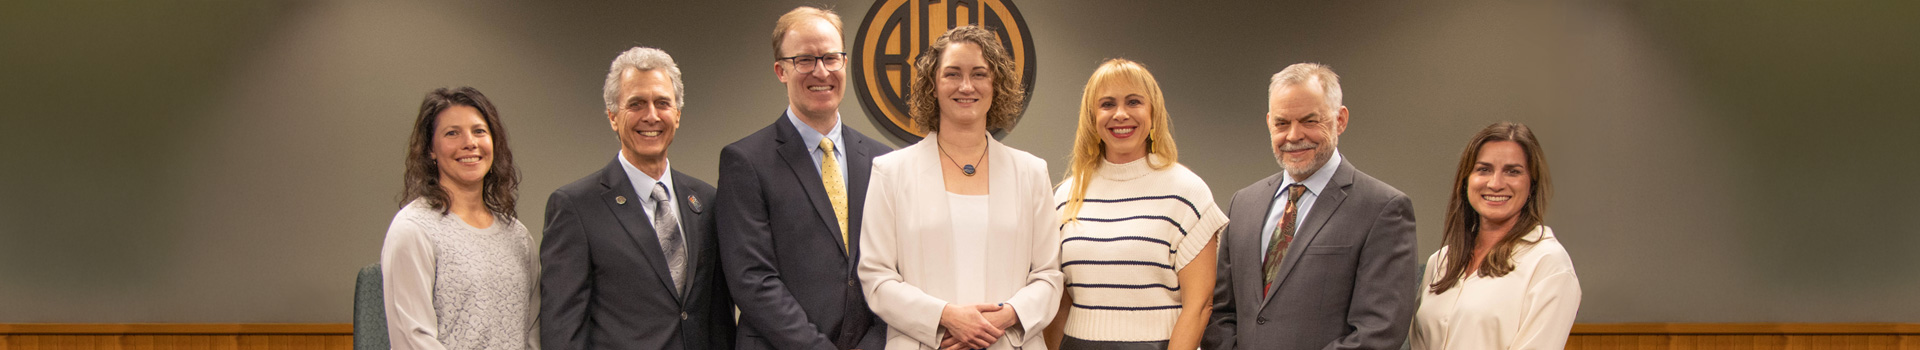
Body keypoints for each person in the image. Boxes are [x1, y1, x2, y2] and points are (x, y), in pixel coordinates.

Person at [859, 26, 1062, 350]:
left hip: (1007, 342)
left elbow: (1049, 277)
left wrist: (1004, 317)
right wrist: (946, 317)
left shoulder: (1031, 173)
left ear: (996, 85)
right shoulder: (891, 172)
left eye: (979, 74)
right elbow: (876, 277)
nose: (966, 86)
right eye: (952, 74)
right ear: (933, 85)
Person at [1203, 63, 1418, 350]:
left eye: (1309, 121)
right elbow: (1221, 311)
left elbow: (1379, 330)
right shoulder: (1243, 203)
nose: (1293, 135)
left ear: (1340, 120)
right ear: (1269, 123)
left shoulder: (1383, 209)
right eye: (1282, 123)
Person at [718, 6, 893, 350]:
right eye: (805, 60)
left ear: (844, 62)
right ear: (780, 70)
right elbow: (753, 280)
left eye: (831, 57)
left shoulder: (882, 161)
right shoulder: (746, 161)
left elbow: (896, 268)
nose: (821, 71)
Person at [540, 47, 733, 350]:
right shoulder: (575, 207)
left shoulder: (707, 201)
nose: (651, 115)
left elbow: (718, 316)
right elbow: (562, 330)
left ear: (677, 115)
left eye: (662, 103)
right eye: (636, 104)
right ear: (613, 117)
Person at [1044, 59, 1226, 350]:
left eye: (1133, 102)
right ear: (1092, 117)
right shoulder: (1066, 197)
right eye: (1107, 104)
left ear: (1153, 113)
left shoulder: (1187, 193)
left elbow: (1200, 305)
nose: (1120, 114)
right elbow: (1059, 302)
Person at [382, 87, 539, 350]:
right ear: (430, 149)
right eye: (452, 133)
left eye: (479, 131)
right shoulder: (413, 229)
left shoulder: (518, 237)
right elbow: (414, 339)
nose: (470, 142)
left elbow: (534, 331)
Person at [1409, 122, 1580, 350]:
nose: (1496, 183)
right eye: (1484, 169)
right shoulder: (1440, 261)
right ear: (1466, 180)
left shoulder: (1549, 264)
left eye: (1513, 171)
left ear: (1532, 185)